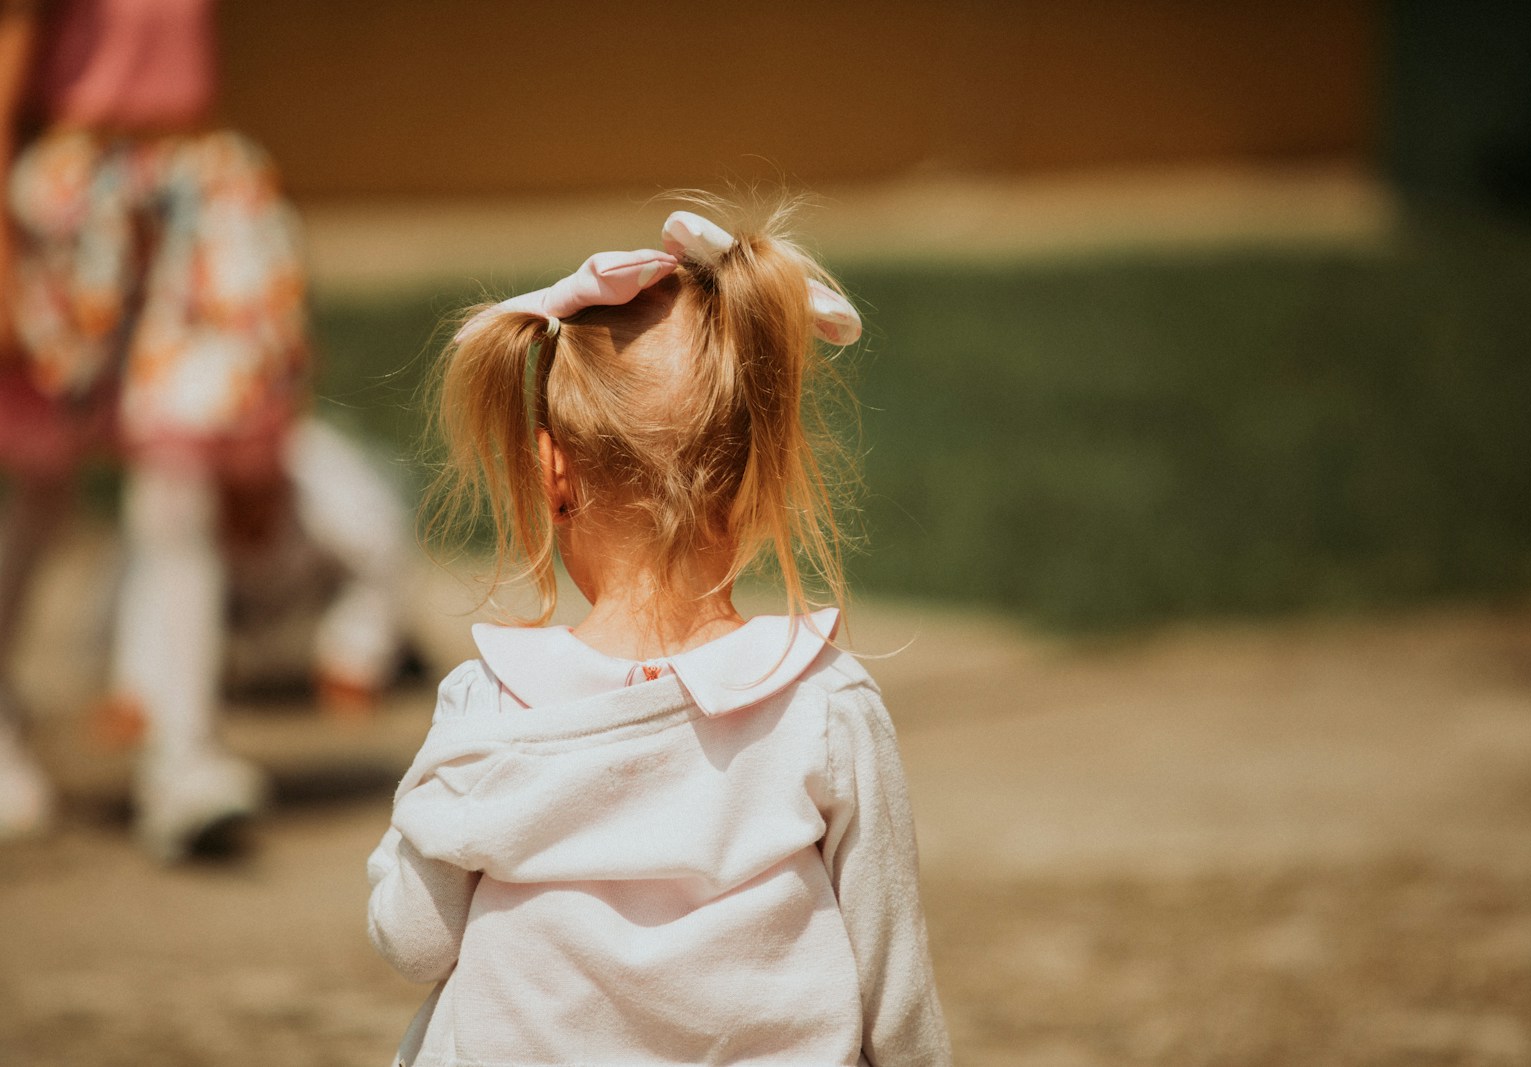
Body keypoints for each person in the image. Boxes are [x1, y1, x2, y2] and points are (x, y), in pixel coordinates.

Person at [366, 206, 953, 1066]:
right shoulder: (823, 705)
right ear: (759, 473)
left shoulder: (488, 705)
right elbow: (896, 998)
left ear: (551, 472)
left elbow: (412, 939)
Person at [0, 0, 411, 859]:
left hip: (197, 182)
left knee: (180, 477)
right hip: (79, 193)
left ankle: (180, 754)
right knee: (37, 485)